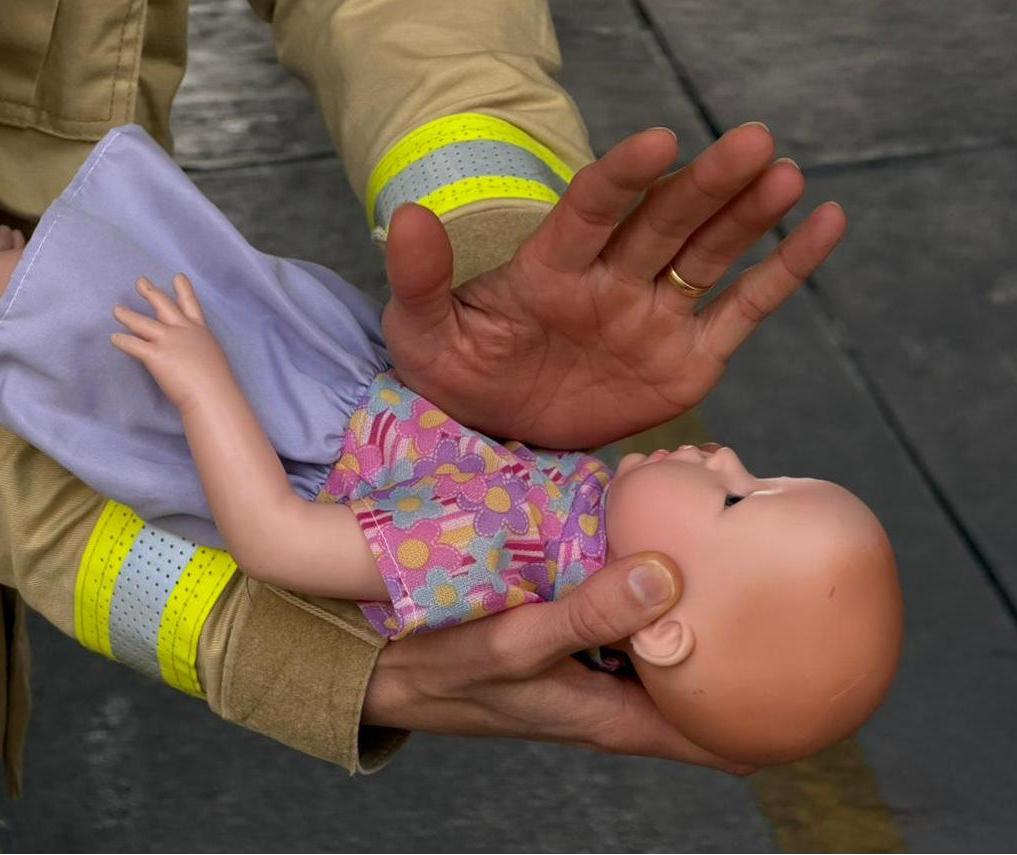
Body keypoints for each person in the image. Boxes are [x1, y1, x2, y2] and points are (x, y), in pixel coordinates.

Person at [0, 0, 846, 793]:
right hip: (310, 378)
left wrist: (200, 384)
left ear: (657, 624)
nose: (724, 456)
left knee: (66, 316)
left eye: (736, 496)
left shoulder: (499, 548)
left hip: (260, 405)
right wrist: (498, 246)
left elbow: (276, 537)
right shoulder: (560, 519)